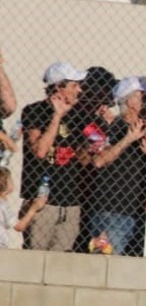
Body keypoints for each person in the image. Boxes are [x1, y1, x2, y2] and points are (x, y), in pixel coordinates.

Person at [20, 62, 86, 252]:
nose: (79, 90)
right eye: (74, 85)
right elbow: (40, 151)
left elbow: (84, 155)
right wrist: (57, 116)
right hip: (42, 202)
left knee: (62, 263)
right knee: (35, 256)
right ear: (59, 87)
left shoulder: (78, 115)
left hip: (71, 202)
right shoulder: (35, 111)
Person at [87, 76, 146, 256]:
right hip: (112, 209)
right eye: (141, 97)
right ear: (130, 101)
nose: (145, 101)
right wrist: (128, 139)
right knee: (106, 261)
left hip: (134, 211)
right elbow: (99, 160)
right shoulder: (114, 127)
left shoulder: (144, 128)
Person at [0, 168, 44, 247]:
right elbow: (19, 226)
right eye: (10, 180)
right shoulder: (3, 205)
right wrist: (33, 209)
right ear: (5, 183)